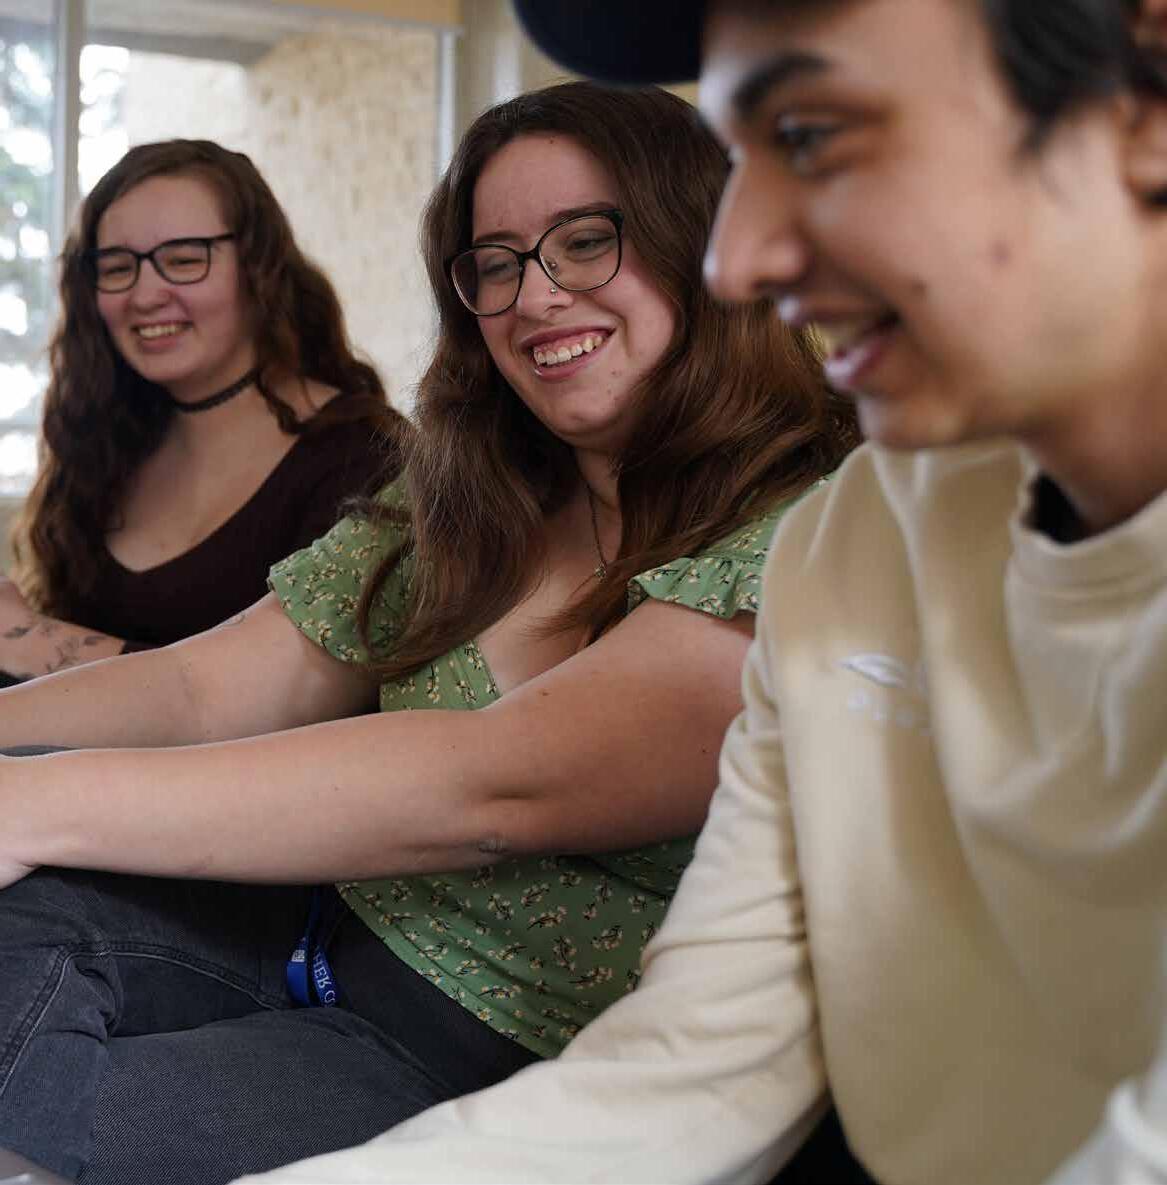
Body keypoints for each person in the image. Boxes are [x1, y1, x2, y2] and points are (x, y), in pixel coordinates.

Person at [231, 2, 1167, 1184]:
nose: (739, 259)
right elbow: (699, 1071)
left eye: (813, 134)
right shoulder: (859, 542)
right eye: (743, 157)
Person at [0, 82, 854, 1185]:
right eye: (495, 263)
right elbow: (207, 689)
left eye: (586, 241)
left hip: (466, 1054)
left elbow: (494, 785)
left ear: (710, 245)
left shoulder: (815, 532)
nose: (533, 296)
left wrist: (36, 798)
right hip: (287, 928)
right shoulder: (472, 491)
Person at [0, 139, 399, 683]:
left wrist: (34, 640)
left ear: (260, 269)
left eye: (185, 260)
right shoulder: (109, 441)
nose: (145, 295)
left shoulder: (365, 456)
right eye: (116, 268)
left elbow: (289, 699)